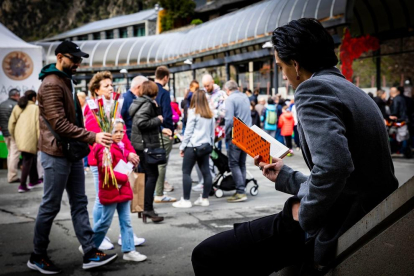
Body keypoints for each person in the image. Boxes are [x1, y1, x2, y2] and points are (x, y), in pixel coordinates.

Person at [192, 18, 398, 275]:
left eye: (281, 66)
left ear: (296, 65)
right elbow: (346, 173)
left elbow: (335, 167)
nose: (285, 77)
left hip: (333, 223)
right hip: (361, 213)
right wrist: (287, 176)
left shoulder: (313, 89)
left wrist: (306, 216)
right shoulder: (352, 90)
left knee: (206, 254)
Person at [28, 41, 117, 274]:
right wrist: (92, 137)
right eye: (73, 59)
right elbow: (58, 123)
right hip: (56, 153)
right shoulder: (51, 84)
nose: (78, 63)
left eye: (80, 59)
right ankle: (37, 255)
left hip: (71, 151)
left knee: (79, 203)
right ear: (59, 57)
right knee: (50, 206)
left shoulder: (64, 80)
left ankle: (89, 252)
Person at [85, 71, 142, 250]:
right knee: (102, 199)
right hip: (102, 162)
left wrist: (130, 153)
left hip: (119, 160)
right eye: (106, 86)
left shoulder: (115, 106)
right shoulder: (92, 108)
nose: (111, 88)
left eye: (111, 85)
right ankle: (98, 238)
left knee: (123, 197)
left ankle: (126, 236)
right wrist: (118, 155)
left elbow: (122, 134)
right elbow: (95, 138)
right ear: (96, 90)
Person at [91, 119, 147, 262]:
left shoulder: (118, 147)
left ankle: (129, 250)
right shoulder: (104, 148)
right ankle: (89, 246)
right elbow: (106, 174)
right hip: (111, 191)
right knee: (105, 221)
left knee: (126, 221)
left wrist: (130, 161)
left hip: (122, 190)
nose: (120, 134)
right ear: (107, 132)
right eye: (115, 131)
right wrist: (125, 176)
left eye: (122, 131)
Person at [129, 80, 165, 223]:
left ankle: (141, 208)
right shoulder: (147, 104)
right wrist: (158, 120)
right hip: (146, 145)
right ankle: (147, 209)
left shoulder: (139, 102)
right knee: (152, 175)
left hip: (140, 145)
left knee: (142, 176)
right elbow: (142, 123)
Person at [173, 89, 215, 208]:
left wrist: (182, 147)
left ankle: (186, 200)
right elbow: (212, 134)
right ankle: (204, 198)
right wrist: (211, 146)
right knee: (206, 173)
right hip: (206, 147)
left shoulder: (193, 112)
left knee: (186, 172)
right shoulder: (210, 114)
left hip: (192, 147)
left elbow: (188, 132)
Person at [223, 80, 251, 203]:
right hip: (247, 133)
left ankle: (240, 191)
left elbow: (229, 120)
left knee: (233, 163)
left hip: (236, 133)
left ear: (227, 90)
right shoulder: (245, 97)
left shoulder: (230, 99)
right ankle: (242, 189)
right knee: (242, 163)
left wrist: (225, 133)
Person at [8, 90, 41, 192]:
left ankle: (34, 180)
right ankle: (22, 185)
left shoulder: (17, 107)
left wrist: (15, 136)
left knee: (30, 158)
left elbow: (11, 125)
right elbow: (38, 126)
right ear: (33, 98)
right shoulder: (35, 108)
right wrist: (39, 141)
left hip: (19, 138)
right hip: (31, 138)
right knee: (28, 160)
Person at [153, 66, 176, 200]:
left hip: (151, 131)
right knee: (162, 163)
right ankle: (159, 193)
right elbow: (167, 114)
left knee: (154, 162)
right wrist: (169, 131)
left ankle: (155, 190)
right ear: (166, 77)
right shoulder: (164, 92)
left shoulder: (148, 89)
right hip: (163, 132)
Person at [0, 88, 21, 183]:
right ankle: (12, 176)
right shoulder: (16, 105)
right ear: (16, 95)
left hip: (5, 133)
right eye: (19, 95)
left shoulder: (2, 104)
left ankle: (11, 175)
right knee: (14, 155)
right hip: (14, 133)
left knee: (10, 154)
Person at [121, 75, 148, 140]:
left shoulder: (139, 98)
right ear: (138, 87)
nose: (147, 90)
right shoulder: (124, 99)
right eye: (146, 87)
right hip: (131, 139)